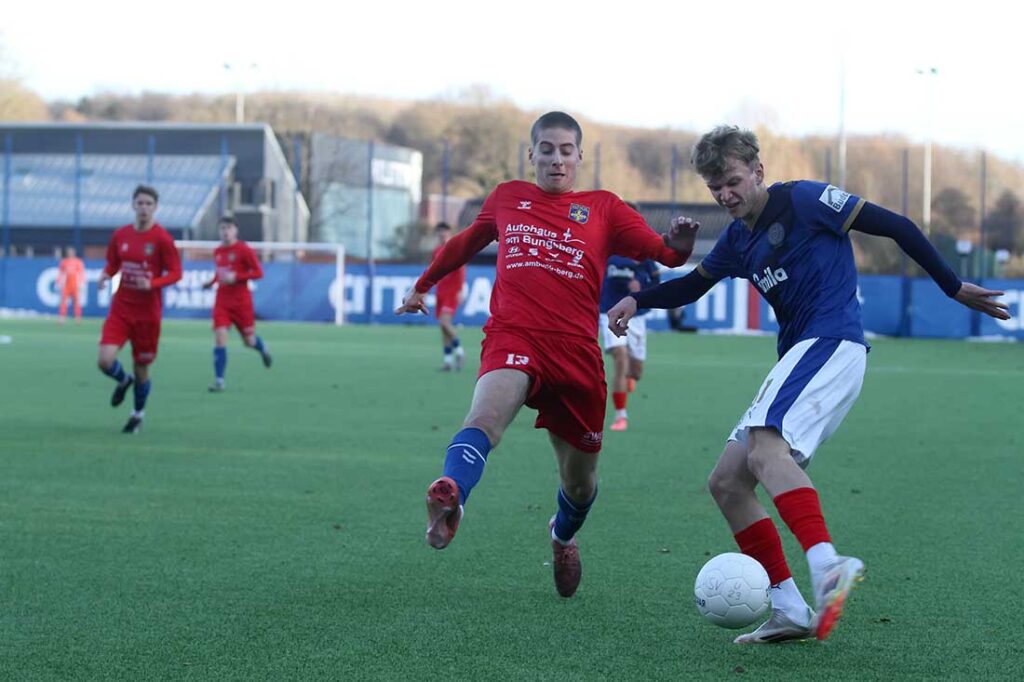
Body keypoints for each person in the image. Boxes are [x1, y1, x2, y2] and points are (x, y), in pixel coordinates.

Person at [607, 125, 1010, 642]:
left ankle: (827, 565)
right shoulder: (736, 238)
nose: (726, 195)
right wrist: (638, 300)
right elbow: (693, 284)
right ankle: (789, 606)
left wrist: (952, 286)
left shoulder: (805, 199)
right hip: (805, 353)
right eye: (715, 189)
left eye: (733, 181)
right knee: (727, 483)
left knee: (763, 446)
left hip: (832, 342)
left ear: (758, 170)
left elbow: (897, 225)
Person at [395, 111, 698, 598]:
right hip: (514, 335)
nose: (556, 159)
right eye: (547, 149)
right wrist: (422, 285)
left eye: (566, 150)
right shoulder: (506, 198)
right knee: (484, 419)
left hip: (576, 353)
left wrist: (679, 247)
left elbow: (661, 252)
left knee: (580, 484)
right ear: (530, 153)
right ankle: (452, 495)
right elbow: (463, 244)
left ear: (580, 156)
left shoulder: (605, 208)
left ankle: (562, 536)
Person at [97, 185, 183, 434]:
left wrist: (153, 283)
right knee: (104, 360)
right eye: (140, 203)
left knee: (141, 367)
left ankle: (137, 415)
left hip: (147, 314)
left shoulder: (162, 239)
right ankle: (123, 380)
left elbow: (176, 273)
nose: (144, 208)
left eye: (149, 204)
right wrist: (105, 275)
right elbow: (113, 263)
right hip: (121, 309)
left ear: (155, 207)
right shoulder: (121, 235)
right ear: (133, 205)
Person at [202, 216, 272, 392]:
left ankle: (262, 348)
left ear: (236, 230)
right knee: (220, 338)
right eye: (222, 228)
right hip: (222, 303)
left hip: (241, 304)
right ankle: (219, 380)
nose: (225, 231)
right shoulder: (218, 251)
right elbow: (220, 274)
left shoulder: (243, 249)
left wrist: (237, 277)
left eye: (229, 228)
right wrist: (211, 283)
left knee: (249, 341)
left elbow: (258, 273)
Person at [598, 253, 660, 431]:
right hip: (609, 312)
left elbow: (656, 282)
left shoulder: (646, 258)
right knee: (620, 357)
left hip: (636, 316)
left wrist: (641, 288)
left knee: (636, 372)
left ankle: (630, 378)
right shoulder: (610, 255)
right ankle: (620, 415)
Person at [430, 222, 467, 371]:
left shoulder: (454, 246)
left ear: (449, 232)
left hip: (452, 292)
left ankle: (460, 351)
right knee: (442, 327)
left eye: (444, 231)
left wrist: (461, 289)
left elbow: (461, 267)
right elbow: (434, 270)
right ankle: (447, 361)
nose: (442, 234)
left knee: (445, 323)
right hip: (441, 292)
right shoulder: (437, 250)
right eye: (439, 231)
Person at [56, 246, 86, 324]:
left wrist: (82, 284)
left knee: (76, 302)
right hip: (66, 285)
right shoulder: (64, 262)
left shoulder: (78, 262)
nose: (70, 254)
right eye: (69, 252)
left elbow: (81, 273)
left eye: (71, 252)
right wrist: (58, 282)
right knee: (63, 302)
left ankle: (77, 317)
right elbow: (60, 273)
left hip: (75, 285)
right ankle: (62, 318)